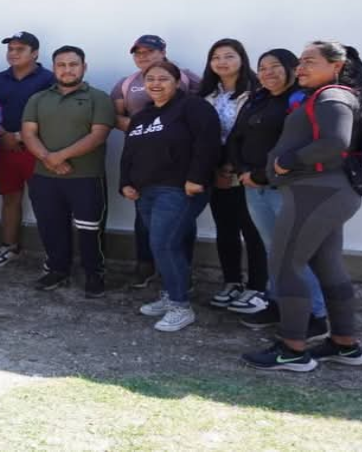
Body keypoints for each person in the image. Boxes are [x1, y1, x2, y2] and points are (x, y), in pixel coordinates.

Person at [242, 41, 362, 372]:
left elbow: (335, 142)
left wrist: (287, 161)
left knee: (286, 265)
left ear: (336, 65)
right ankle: (345, 345)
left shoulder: (332, 95)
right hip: (325, 194)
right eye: (300, 62)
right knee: (328, 266)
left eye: (309, 61)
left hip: (316, 193)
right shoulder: (329, 95)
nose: (300, 67)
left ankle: (292, 350)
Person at [227, 49, 330, 339]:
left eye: (275, 67)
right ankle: (277, 302)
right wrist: (243, 170)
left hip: (284, 187)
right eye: (262, 68)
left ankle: (316, 315)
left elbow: (298, 146)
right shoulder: (257, 99)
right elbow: (236, 137)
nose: (267, 73)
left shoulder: (301, 101)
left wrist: (261, 174)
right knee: (274, 250)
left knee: (294, 252)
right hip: (252, 186)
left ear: (291, 68)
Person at [119, 61, 219, 332]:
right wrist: (125, 182)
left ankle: (180, 306)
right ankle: (172, 293)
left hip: (178, 189)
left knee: (163, 243)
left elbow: (207, 142)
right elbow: (129, 152)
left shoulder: (193, 107)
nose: (156, 83)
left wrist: (196, 178)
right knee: (164, 245)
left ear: (178, 82)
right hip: (146, 191)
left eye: (163, 78)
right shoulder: (142, 116)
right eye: (150, 78)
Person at [21, 46, 116, 298]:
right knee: (51, 226)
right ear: (53, 68)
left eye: (73, 64)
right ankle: (57, 269)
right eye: (61, 65)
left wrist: (59, 157)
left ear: (84, 67)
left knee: (89, 229)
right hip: (44, 177)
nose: (67, 69)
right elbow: (28, 133)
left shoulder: (99, 97)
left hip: (86, 177)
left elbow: (99, 134)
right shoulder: (38, 98)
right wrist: (47, 159)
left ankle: (94, 273)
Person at [111, 34, 202, 288]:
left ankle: (182, 275)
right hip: (143, 163)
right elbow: (117, 116)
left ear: (163, 51)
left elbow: (202, 112)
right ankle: (147, 266)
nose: (143, 56)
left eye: (149, 51)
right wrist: (148, 126)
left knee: (179, 223)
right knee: (144, 220)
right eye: (138, 52)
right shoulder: (126, 83)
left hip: (178, 168)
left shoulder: (187, 77)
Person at [198, 39, 268, 312]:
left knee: (252, 231)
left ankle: (257, 286)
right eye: (216, 57)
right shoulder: (207, 96)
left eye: (229, 56)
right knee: (225, 228)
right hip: (215, 172)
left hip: (246, 172)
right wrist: (216, 168)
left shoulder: (256, 94)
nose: (222, 62)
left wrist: (232, 165)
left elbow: (254, 137)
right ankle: (232, 282)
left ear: (242, 59)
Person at [0, 32, 56, 269]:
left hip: (36, 150)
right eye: (11, 49)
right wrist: (4, 134)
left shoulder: (48, 79)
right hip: (4, 148)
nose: (13, 53)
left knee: (44, 201)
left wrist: (19, 136)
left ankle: (54, 253)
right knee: (10, 197)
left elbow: (52, 114)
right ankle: (9, 246)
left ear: (34, 53)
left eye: (20, 49)